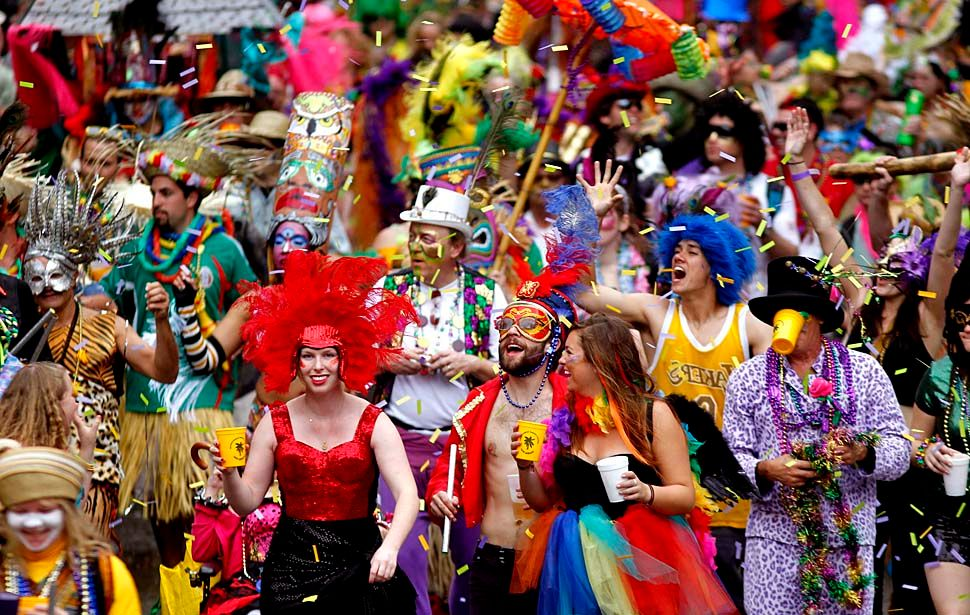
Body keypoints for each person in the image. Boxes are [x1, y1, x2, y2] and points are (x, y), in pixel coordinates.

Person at [579, 160, 772, 608]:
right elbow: (582, 293)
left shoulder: (751, 327)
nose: (678, 259)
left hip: (735, 501)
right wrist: (592, 218)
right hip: (665, 496)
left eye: (691, 251)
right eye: (676, 250)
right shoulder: (655, 313)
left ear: (717, 265)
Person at [426, 182, 599, 614]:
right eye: (506, 324)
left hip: (555, 562)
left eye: (530, 326)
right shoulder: (477, 402)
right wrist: (436, 495)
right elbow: (448, 468)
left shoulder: (571, 402)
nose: (513, 334)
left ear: (554, 341)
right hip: (492, 559)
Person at [95, 118, 257, 567]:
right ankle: (171, 598)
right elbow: (102, 296)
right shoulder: (135, 248)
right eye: (153, 192)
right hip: (145, 404)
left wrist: (227, 345)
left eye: (166, 193)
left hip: (208, 403)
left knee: (212, 511)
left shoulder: (225, 249)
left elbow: (254, 306)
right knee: (157, 513)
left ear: (192, 197)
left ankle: (213, 598)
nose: (156, 201)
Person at [218, 251, 418, 612]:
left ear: (345, 359)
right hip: (290, 568)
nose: (318, 366)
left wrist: (390, 548)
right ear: (294, 361)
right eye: (308, 356)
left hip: (360, 565)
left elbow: (406, 493)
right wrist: (229, 475)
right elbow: (246, 501)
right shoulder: (275, 421)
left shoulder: (373, 421)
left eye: (328, 355)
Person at [511, 313, 738, 614]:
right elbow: (543, 502)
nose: (561, 361)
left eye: (569, 353)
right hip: (574, 561)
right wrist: (524, 467)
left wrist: (647, 492)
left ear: (599, 361)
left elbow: (684, 496)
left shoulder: (653, 415)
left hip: (643, 558)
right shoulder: (566, 421)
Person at [723, 256, 910, 614]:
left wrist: (862, 452)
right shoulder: (746, 378)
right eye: (780, 314)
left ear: (820, 317)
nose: (787, 324)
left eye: (797, 313)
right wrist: (766, 469)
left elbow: (899, 450)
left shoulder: (864, 371)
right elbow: (729, 463)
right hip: (773, 543)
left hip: (848, 545)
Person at [374, 176, 507, 615]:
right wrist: (388, 359)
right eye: (413, 236)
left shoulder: (488, 295)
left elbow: (516, 369)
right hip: (399, 442)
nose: (414, 246)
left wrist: (473, 365)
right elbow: (354, 357)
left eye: (426, 238)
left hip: (463, 448)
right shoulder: (387, 291)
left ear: (454, 247)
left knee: (472, 562)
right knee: (402, 558)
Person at [22, 173, 179, 542]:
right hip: (34, 471)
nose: (47, 286)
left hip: (97, 476)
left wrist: (162, 321)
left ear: (75, 275)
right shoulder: (20, 332)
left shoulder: (111, 327)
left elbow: (165, 371)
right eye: (35, 275)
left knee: (90, 573)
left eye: (56, 274)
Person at [0, 442, 141, 614]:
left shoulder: (107, 574)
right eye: (21, 512)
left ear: (66, 513)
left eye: (45, 510)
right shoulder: (3, 567)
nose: (33, 523)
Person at [910, 254, 970, 614]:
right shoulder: (942, 374)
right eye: (962, 315)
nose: (966, 326)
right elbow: (912, 442)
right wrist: (926, 452)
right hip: (951, 517)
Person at [191, 461, 281, 615]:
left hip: (292, 585)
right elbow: (201, 552)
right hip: (243, 591)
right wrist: (212, 489)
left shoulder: (294, 498)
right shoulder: (229, 507)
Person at [0, 362, 97, 472]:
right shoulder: (35, 460)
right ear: (53, 406)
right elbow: (76, 489)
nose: (76, 404)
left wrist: (87, 447)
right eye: (71, 396)